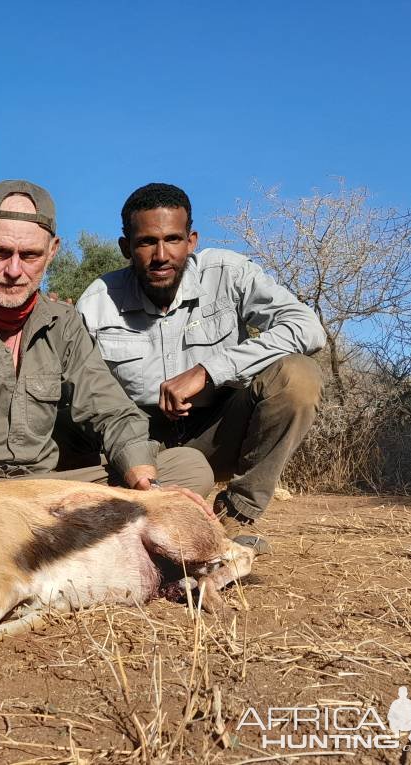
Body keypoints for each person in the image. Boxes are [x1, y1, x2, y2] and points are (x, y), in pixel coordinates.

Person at [0, 179, 213, 501]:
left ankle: (33, 538)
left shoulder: (65, 324)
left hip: (44, 490)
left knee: (189, 468)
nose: (13, 270)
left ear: (52, 251)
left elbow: (110, 408)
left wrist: (144, 483)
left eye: (30, 255)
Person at [76, 182, 325, 540]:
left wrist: (209, 371)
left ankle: (237, 514)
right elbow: (85, 396)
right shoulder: (97, 302)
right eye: (146, 242)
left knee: (298, 377)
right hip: (142, 444)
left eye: (173, 239)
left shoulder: (229, 272)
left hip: (219, 431)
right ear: (125, 247)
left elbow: (308, 328)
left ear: (191, 241)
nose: (161, 254)